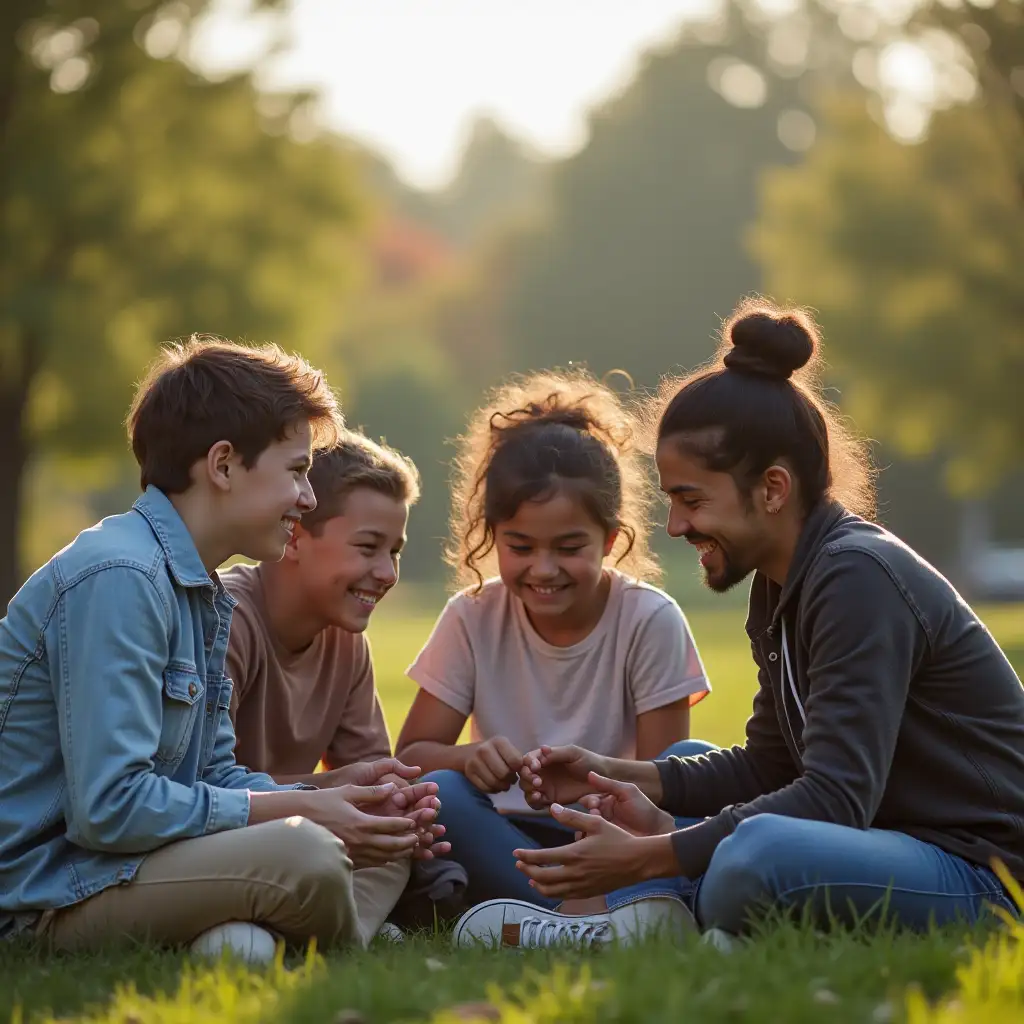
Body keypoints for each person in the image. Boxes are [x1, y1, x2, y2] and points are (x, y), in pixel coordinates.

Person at [451, 300, 1024, 950]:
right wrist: (611, 772)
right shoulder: (782, 584)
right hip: (888, 842)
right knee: (681, 763)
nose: (674, 526)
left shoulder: (856, 577)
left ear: (773, 488)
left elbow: (836, 797)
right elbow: (770, 763)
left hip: (984, 874)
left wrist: (655, 852)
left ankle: (634, 922)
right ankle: (648, 926)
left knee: (755, 856)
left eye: (692, 500)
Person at [0, 337, 439, 961]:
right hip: (50, 896)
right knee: (307, 853)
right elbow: (109, 809)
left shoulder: (199, 592)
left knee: (366, 840)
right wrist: (303, 816)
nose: (308, 498)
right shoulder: (120, 577)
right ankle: (335, 947)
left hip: (129, 869)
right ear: (224, 465)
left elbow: (215, 775)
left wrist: (334, 800)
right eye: (296, 472)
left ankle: (257, 945)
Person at [396, 370, 713, 918]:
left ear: (610, 539)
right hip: (507, 838)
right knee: (440, 792)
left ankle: (555, 914)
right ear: (493, 535)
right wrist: (469, 759)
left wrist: (595, 786)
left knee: (695, 763)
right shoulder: (472, 616)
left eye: (569, 547)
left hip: (613, 835)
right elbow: (413, 758)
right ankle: (591, 915)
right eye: (520, 546)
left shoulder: (649, 619)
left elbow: (665, 780)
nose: (544, 570)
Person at [223, 431, 449, 946]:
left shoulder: (346, 640)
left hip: (300, 835)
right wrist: (327, 792)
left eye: (394, 551)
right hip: (224, 833)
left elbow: (369, 778)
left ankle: (308, 937)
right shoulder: (228, 621)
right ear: (296, 535)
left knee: (391, 846)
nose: (387, 572)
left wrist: (396, 810)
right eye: (367, 548)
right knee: (309, 857)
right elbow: (201, 790)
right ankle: (328, 937)